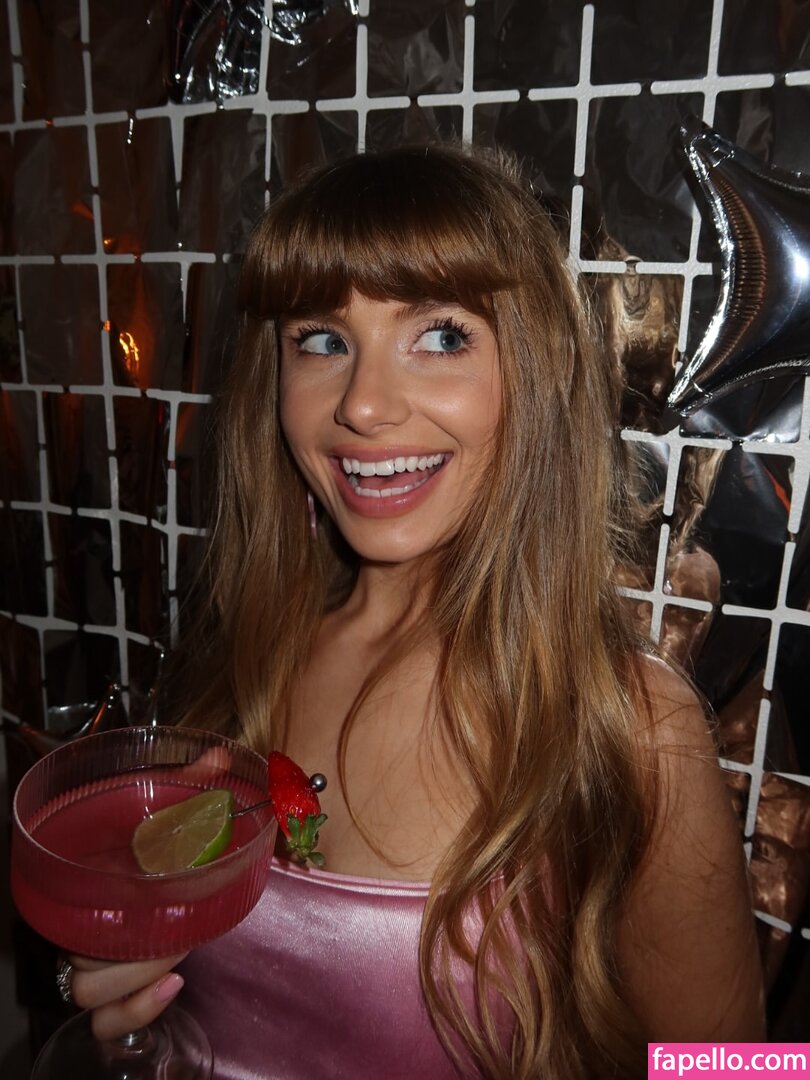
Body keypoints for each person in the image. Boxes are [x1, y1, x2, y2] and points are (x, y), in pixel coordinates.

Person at [65, 144, 764, 1078]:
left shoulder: (628, 729)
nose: (363, 405)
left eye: (440, 336)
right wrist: (130, 992)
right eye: (322, 340)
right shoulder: (242, 662)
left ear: (535, 373)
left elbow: (740, 1068)